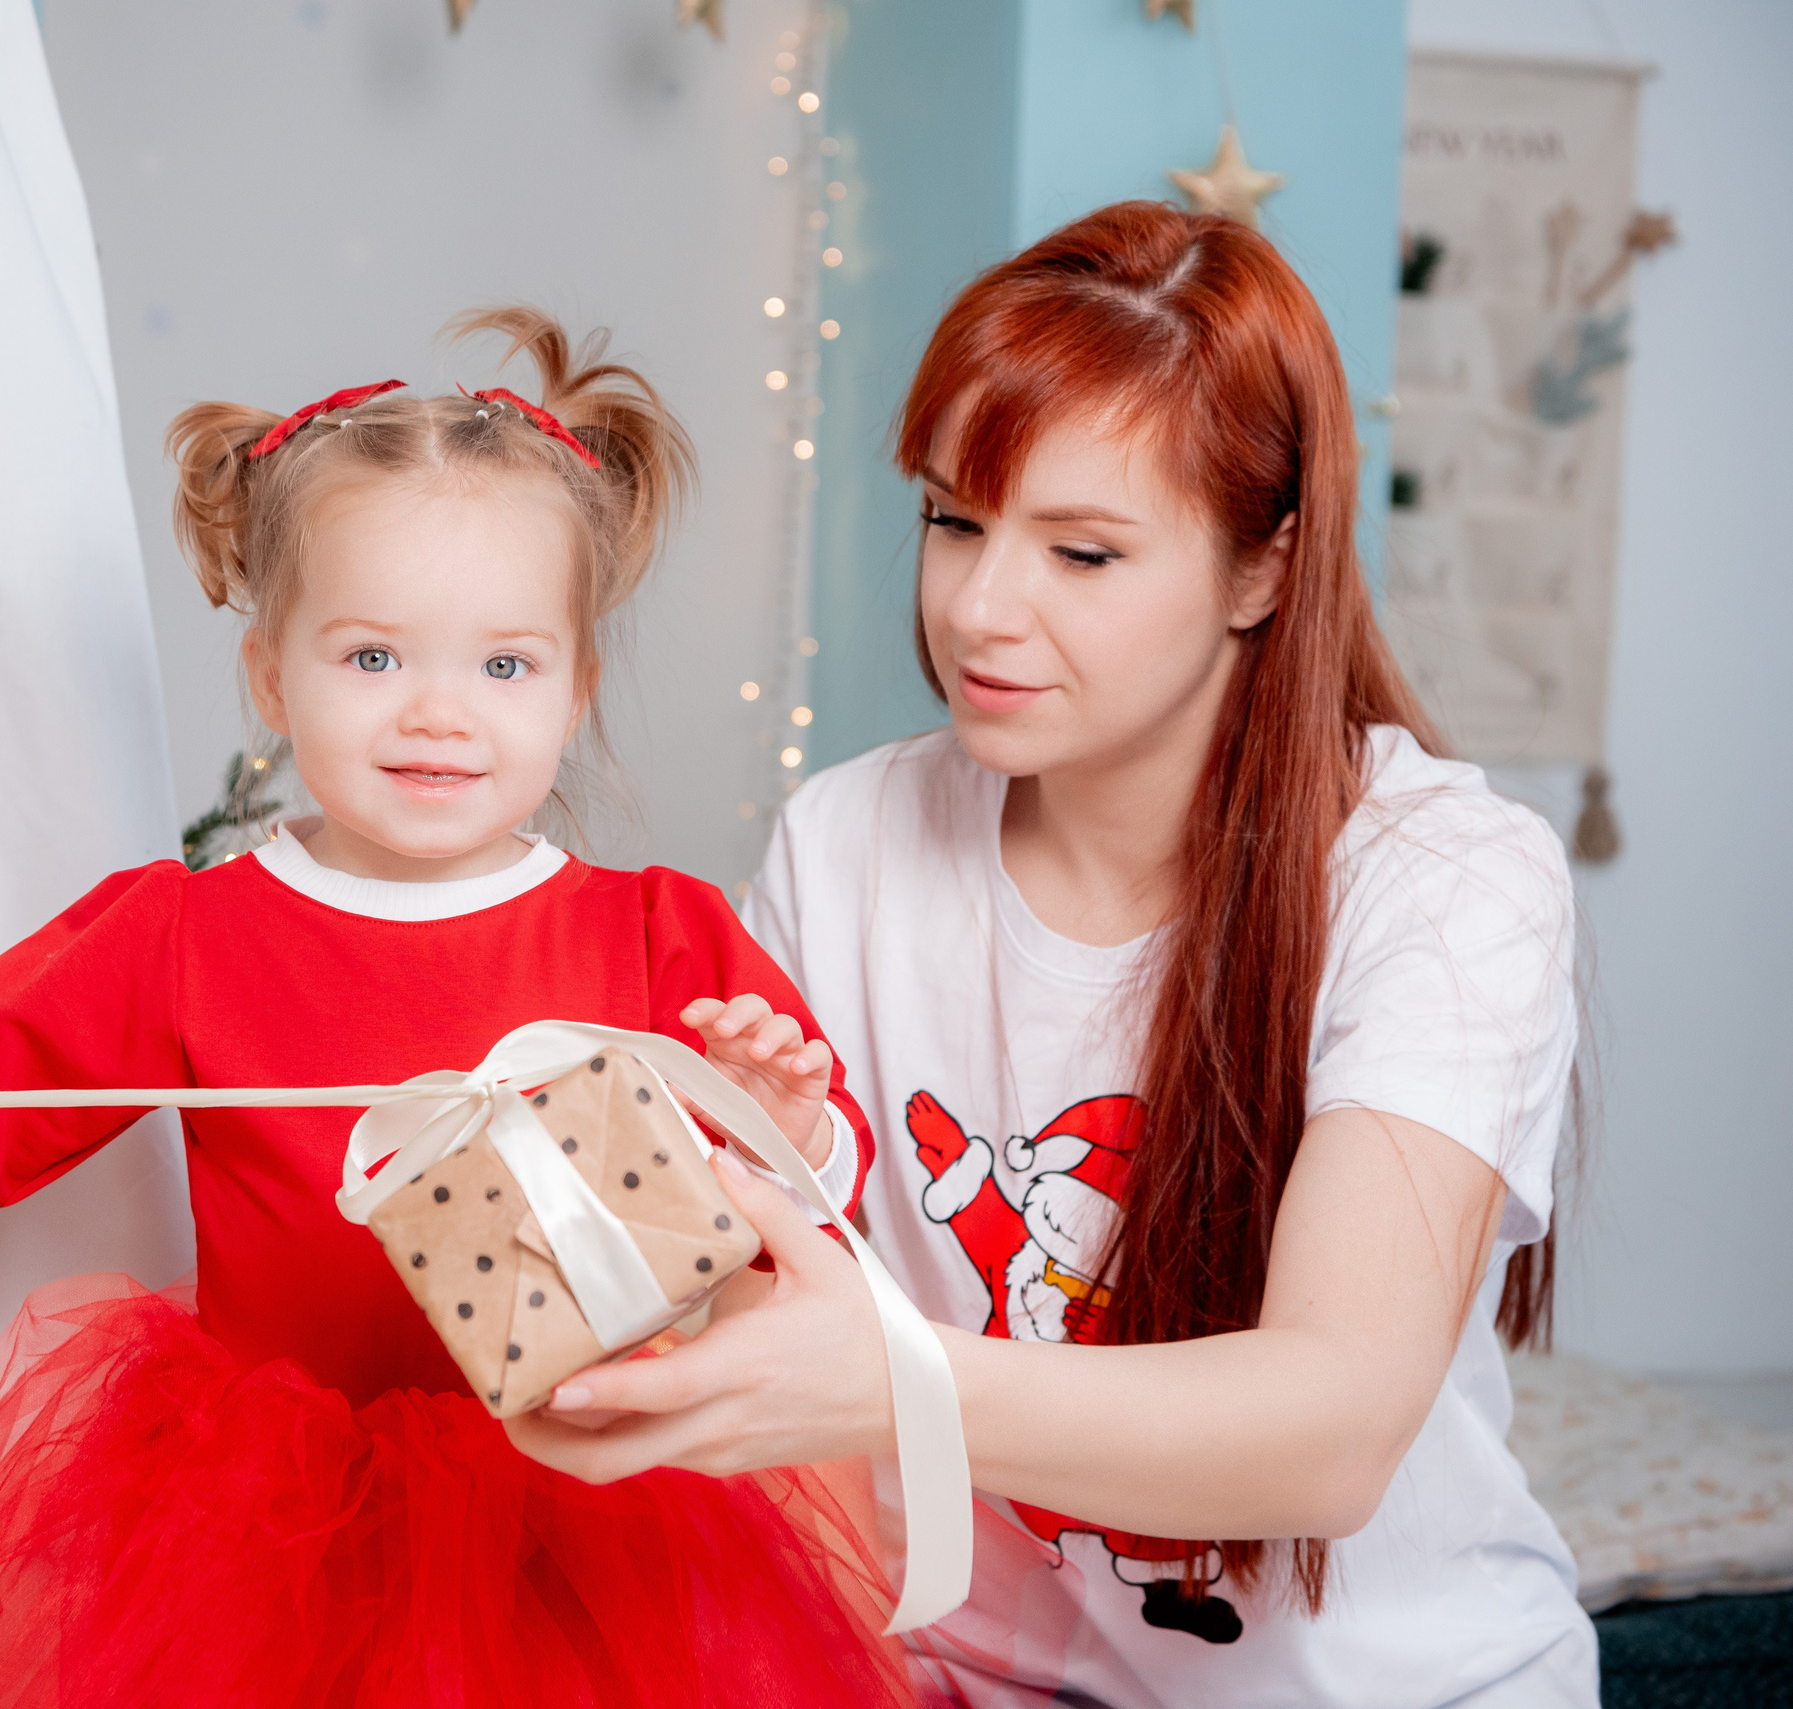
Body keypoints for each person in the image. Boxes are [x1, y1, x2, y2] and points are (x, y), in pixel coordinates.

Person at [0, 309, 914, 1708]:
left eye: (505, 665)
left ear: (576, 687)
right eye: (373, 658)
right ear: (270, 677)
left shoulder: (660, 930)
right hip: (264, 1517)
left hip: (586, 1492)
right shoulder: (187, 932)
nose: (438, 713)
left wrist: (783, 1123)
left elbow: (808, 1197)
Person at [505, 205, 1597, 1706]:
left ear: (1262, 570)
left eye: (1082, 551)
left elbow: (1330, 1427)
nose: (979, 608)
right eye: (957, 521)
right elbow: (744, 1285)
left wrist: (882, 1380)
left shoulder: (1443, 874)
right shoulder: (849, 842)